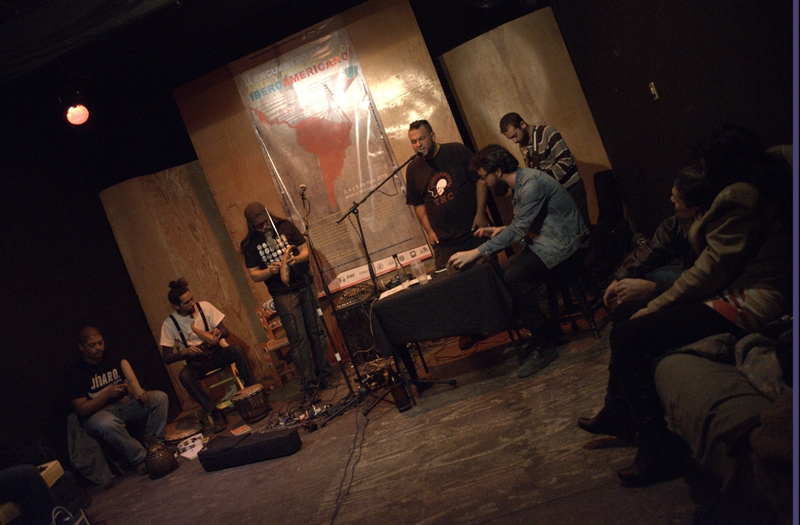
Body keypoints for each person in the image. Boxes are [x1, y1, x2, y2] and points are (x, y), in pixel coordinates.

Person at [578, 126, 793, 487]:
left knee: (630, 335)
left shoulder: (740, 196)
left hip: (753, 301)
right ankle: (618, 413)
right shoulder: (765, 181)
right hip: (741, 291)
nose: (703, 172)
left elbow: (711, 270)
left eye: (707, 165)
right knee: (627, 313)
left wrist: (656, 305)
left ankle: (659, 450)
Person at [448, 144, 590, 378]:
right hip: (549, 241)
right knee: (500, 272)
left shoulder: (531, 184)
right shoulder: (521, 183)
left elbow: (519, 230)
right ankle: (546, 331)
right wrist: (502, 229)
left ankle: (546, 346)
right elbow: (523, 224)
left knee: (514, 277)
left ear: (498, 171)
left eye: (484, 177)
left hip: (567, 245)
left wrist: (476, 252)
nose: (483, 182)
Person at [405, 119, 490, 350]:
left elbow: (480, 180)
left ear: (432, 136)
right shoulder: (413, 169)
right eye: (413, 141)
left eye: (422, 139)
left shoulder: (456, 151)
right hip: (445, 240)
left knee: (488, 278)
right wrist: (430, 231)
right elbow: (418, 204)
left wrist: (481, 212)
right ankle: (469, 330)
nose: (418, 144)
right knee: (453, 290)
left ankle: (503, 318)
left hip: (473, 230)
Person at [240, 203, 332, 403]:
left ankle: (325, 374)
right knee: (298, 340)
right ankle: (309, 384)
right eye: (259, 225)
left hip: (304, 284)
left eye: (265, 222)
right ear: (251, 224)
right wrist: (270, 271)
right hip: (282, 293)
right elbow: (254, 274)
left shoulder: (285, 226)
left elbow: (305, 250)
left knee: (316, 331)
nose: (264, 226)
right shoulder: (249, 245)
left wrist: (296, 260)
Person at [602, 167, 713, 308]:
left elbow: (703, 286)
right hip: (691, 279)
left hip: (705, 295)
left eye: (676, 199)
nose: (671, 199)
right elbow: (651, 250)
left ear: (694, 209)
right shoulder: (678, 222)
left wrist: (652, 288)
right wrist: (619, 278)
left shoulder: (713, 234)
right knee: (650, 274)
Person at [159, 278, 260, 433]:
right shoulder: (169, 324)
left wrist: (218, 333)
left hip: (215, 353)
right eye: (186, 302)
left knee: (237, 350)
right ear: (177, 306)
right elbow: (167, 358)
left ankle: (252, 394)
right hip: (197, 362)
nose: (192, 303)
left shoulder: (204, 307)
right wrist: (184, 352)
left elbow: (224, 331)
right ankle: (214, 412)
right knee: (185, 376)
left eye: (191, 298)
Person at [68, 326, 168, 474]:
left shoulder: (111, 358)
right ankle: (142, 459)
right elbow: (81, 409)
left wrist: (138, 394)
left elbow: (127, 383)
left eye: (100, 343)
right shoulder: (77, 373)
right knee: (107, 423)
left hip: (123, 405)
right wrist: (106, 395)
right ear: (82, 347)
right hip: (97, 415)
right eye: (92, 345)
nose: (98, 348)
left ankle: (156, 447)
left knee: (160, 398)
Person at [499, 112, 590, 228]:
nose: (514, 141)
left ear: (522, 124)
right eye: (511, 138)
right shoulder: (524, 144)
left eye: (514, 135)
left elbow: (566, 161)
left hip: (571, 189)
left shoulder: (547, 132)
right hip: (556, 194)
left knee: (583, 229)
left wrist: (542, 180)